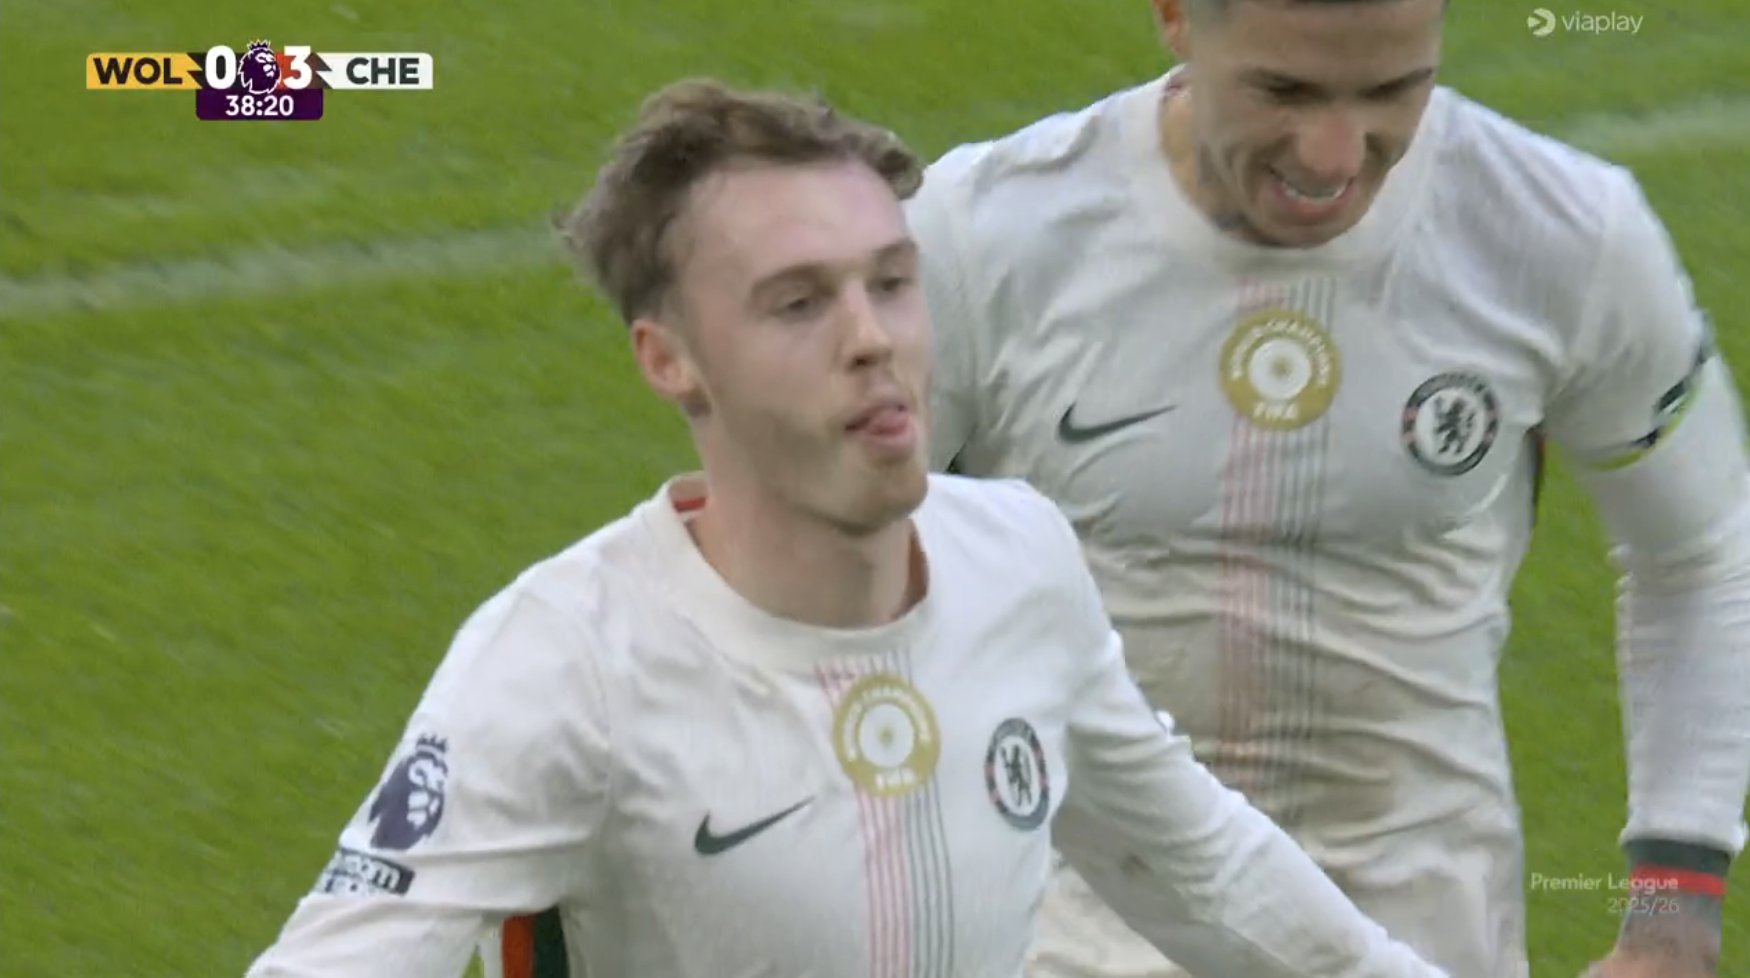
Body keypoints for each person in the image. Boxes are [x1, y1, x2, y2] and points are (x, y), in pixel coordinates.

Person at [242, 78, 1450, 978]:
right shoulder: (568, 664)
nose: (871, 337)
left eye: (891, 281)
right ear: (670, 359)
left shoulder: (1019, 560)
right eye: (797, 302)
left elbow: (1194, 865)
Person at [905, 0, 1750, 976]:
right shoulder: (979, 234)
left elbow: (1699, 552)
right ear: (1176, 15)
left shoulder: (1561, 233)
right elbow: (830, 573)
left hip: (1419, 941)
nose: (1333, 155)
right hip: (1069, 932)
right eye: (1284, 91)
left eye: (1393, 91)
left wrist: (1672, 910)